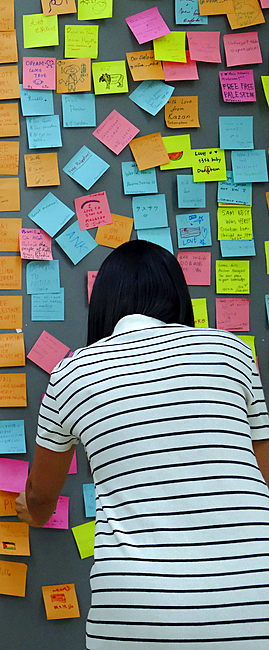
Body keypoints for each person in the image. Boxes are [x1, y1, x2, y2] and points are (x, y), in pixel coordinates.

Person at [16, 240, 269, 648]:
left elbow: (41, 499)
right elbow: (263, 474)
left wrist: (30, 509)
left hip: (136, 613)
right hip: (255, 599)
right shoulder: (233, 352)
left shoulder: (72, 371)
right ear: (177, 296)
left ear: (102, 305)